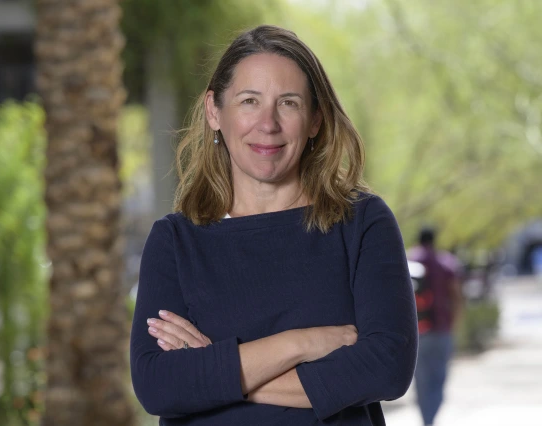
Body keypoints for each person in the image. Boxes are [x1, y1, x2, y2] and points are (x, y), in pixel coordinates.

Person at [130, 25, 418, 425]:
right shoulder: (175, 240)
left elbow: (387, 368)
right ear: (215, 111)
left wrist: (213, 369)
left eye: (288, 103)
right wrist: (303, 344)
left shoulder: (362, 223)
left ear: (315, 119)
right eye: (249, 101)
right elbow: (157, 385)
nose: (268, 124)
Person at [407, 226, 463, 426]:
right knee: (439, 378)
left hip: (417, 332)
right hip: (441, 330)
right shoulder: (446, 263)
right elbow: (456, 297)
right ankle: (430, 418)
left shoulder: (408, 260)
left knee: (420, 380)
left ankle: (426, 419)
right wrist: (454, 324)